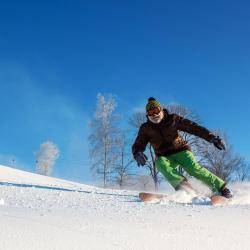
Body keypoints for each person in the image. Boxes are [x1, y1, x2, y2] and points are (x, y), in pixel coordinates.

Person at [132, 97, 233, 198]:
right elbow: (138, 144)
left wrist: (211, 137)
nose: (154, 115)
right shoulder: (145, 128)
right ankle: (184, 187)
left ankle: (222, 188)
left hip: (181, 151)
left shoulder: (172, 119)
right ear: (147, 115)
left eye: (156, 110)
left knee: (193, 168)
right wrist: (137, 152)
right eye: (150, 112)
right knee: (160, 163)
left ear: (161, 110)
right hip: (164, 156)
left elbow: (193, 127)